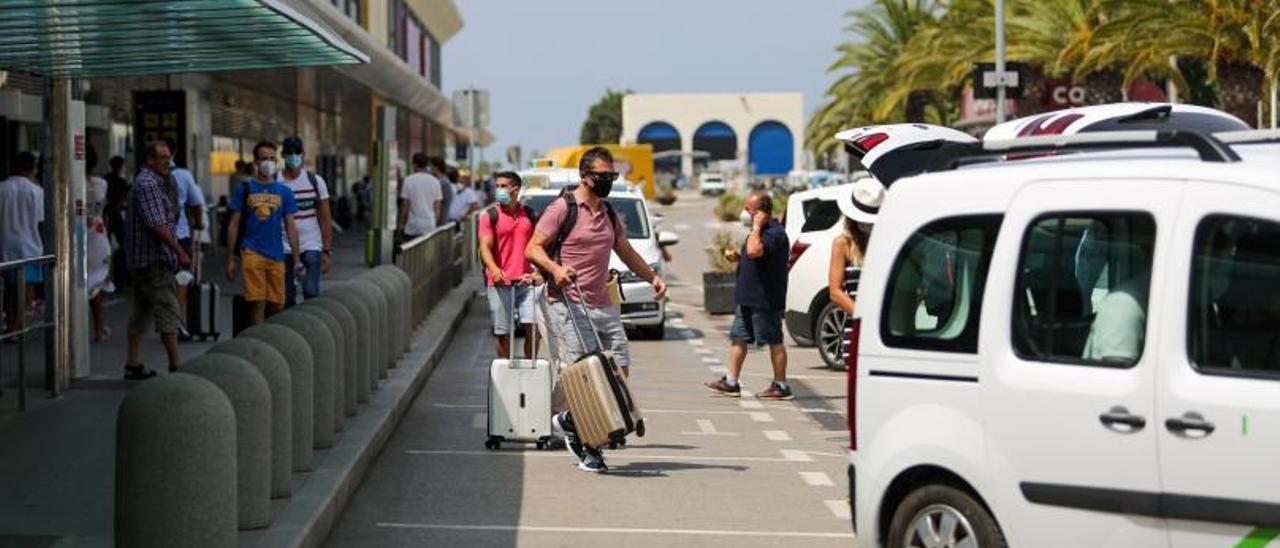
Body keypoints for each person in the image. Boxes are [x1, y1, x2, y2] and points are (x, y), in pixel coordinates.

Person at [527, 146, 667, 473]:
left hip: (603, 304)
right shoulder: (562, 208)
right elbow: (532, 247)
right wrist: (555, 269)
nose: (607, 181)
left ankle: (568, 421)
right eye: (602, 176)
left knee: (619, 370)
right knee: (587, 378)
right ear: (584, 176)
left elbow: (627, 251)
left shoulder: (608, 213)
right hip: (568, 303)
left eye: (611, 176)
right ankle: (590, 447)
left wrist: (653, 277)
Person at [705, 190, 792, 400]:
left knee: (774, 340)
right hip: (747, 298)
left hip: (765, 299)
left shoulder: (773, 232)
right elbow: (753, 256)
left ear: (761, 213)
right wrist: (738, 257)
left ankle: (781, 385)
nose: (745, 213)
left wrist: (756, 227)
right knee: (739, 338)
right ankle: (731, 382)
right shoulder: (759, 231)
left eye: (749, 209)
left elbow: (755, 251)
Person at [123, 141, 191, 378]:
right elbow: (157, 225)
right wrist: (179, 251)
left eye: (168, 157)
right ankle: (175, 363)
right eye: (161, 157)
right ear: (148, 160)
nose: (167, 161)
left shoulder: (147, 182)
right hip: (153, 260)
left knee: (142, 310)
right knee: (168, 308)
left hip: (141, 260)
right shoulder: (149, 184)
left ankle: (133, 363)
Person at [225, 140, 301, 326]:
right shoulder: (245, 189)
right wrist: (230, 259)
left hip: (277, 254)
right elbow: (233, 224)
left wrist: (297, 258)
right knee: (257, 302)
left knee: (277, 304)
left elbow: (291, 226)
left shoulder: (284, 191)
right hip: (251, 252)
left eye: (272, 158)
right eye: (264, 158)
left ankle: (271, 343)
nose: (269, 162)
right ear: (256, 163)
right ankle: (257, 347)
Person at [480, 171, 538, 358]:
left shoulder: (529, 215)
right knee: (503, 333)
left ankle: (531, 367)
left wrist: (538, 272)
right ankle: (505, 372)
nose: (499, 190)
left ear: (516, 189)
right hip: (499, 283)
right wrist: (495, 269)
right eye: (497, 186)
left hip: (527, 282)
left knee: (534, 328)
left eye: (503, 186)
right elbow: (484, 248)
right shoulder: (489, 215)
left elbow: (538, 247)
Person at [278, 136, 333, 307]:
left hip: (311, 244)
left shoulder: (315, 182)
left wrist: (326, 250)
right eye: (289, 153)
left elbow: (325, 218)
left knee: (310, 292)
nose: (294, 157)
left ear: (303, 154)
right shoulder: (275, 182)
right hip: (283, 246)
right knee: (287, 299)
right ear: (283, 155)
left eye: (297, 153)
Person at [163, 138, 205, 338]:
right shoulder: (183, 175)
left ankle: (165, 320)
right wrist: (198, 223)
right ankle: (176, 320)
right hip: (180, 235)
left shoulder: (146, 175)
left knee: (162, 278)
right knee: (182, 278)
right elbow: (196, 204)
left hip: (156, 237)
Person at [0, 152, 44, 337]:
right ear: (32, 168)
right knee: (24, 288)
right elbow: (41, 222)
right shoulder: (37, 191)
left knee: (9, 288)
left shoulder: (1, 188)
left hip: (5, 243)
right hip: (30, 245)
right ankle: (17, 327)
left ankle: (11, 324)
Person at [828, 178, 882, 317]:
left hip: (887, 326)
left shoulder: (885, 241)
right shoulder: (843, 243)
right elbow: (835, 292)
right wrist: (864, 317)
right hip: (857, 324)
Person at [85, 145, 115, 342]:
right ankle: (98, 328)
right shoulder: (101, 184)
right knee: (97, 282)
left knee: (73, 284)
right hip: (98, 235)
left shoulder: (67, 183)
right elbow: (104, 210)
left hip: (75, 235)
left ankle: (75, 329)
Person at [397, 153, 443, 239]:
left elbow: (404, 206)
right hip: (429, 225)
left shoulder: (408, 180)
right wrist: (435, 222)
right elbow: (437, 207)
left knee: (411, 251)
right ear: (426, 165)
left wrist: (401, 224)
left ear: (415, 164)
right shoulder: (435, 181)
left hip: (412, 226)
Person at [427, 156, 455, 224]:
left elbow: (441, 202)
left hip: (441, 220)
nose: (429, 169)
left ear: (436, 167)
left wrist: (438, 219)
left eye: (430, 166)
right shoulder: (440, 180)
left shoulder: (443, 182)